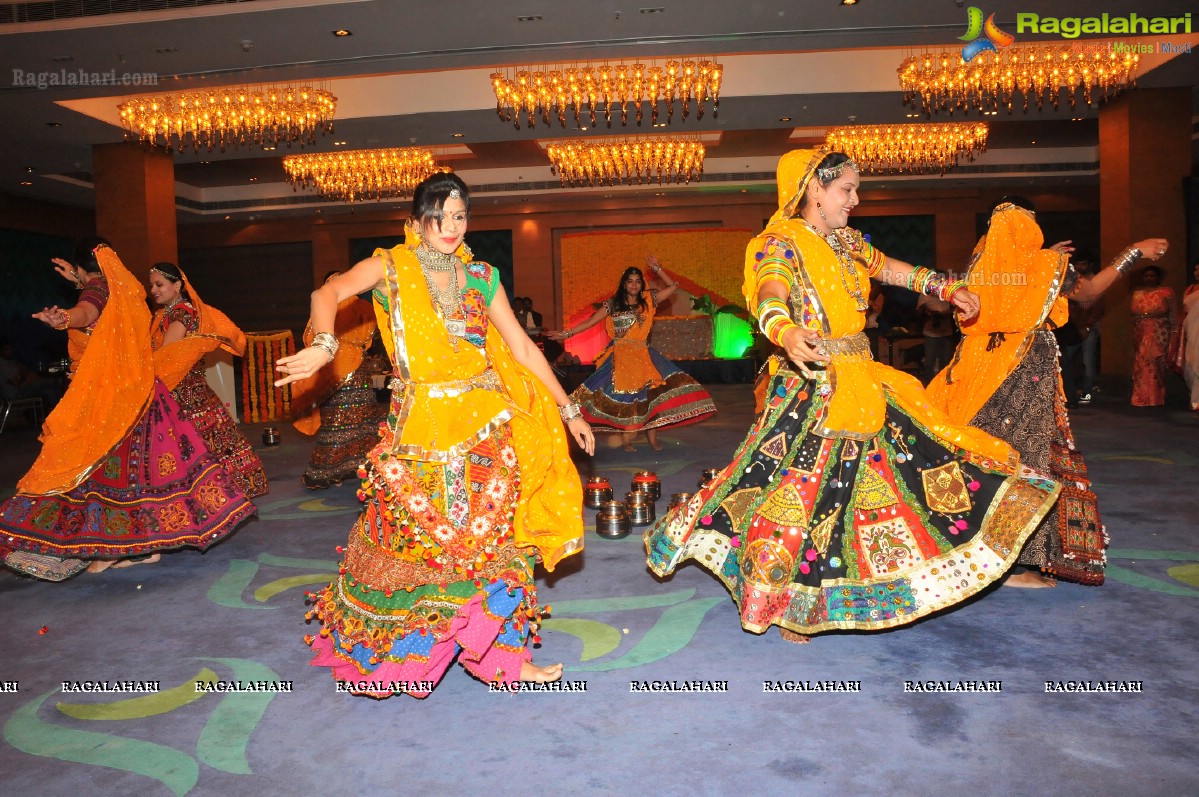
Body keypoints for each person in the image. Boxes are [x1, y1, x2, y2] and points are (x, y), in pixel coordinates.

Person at [644, 149, 1060, 642]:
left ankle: (858, 583)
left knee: (893, 473)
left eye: (855, 189)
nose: (855, 199)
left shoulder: (846, 240)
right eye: (847, 189)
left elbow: (890, 269)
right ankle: (783, 598)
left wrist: (947, 288)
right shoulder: (778, 242)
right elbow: (770, 290)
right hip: (812, 385)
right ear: (813, 190)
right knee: (799, 497)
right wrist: (785, 329)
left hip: (863, 377)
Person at [275, 172, 594, 697]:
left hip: (487, 429)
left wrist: (568, 409)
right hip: (417, 435)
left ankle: (503, 662)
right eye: (439, 216)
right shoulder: (392, 267)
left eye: (460, 215)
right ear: (419, 220)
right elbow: (328, 289)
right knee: (419, 551)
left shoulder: (482, 277)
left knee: (497, 545)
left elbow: (522, 349)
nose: (451, 226)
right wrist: (326, 344)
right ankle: (404, 656)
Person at [927, 198, 1167, 587]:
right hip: (1023, 371)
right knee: (1026, 461)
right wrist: (1132, 253)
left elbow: (1011, 285)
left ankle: (974, 553)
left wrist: (1042, 260)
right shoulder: (1044, 266)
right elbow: (1088, 291)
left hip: (976, 370)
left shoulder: (981, 264)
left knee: (983, 457)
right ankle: (1011, 566)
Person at [0, 239, 255, 580]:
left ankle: (120, 546)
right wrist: (78, 288)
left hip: (119, 400)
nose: (152, 289)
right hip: (140, 393)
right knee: (136, 476)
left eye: (160, 284)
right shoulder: (125, 291)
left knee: (108, 472)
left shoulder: (102, 289)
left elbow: (88, 311)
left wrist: (63, 317)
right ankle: (133, 547)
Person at [549, 255, 716, 452]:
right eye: (630, 281)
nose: (634, 285)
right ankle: (626, 440)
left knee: (648, 397)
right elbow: (590, 322)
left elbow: (672, 288)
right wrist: (567, 333)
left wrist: (658, 269)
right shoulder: (612, 304)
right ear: (624, 284)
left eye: (638, 281)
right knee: (626, 398)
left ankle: (652, 439)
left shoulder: (648, 299)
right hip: (621, 357)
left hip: (643, 355)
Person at [148, 261, 269, 498]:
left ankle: (220, 493)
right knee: (207, 441)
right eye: (151, 285)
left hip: (183, 392)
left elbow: (167, 352)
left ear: (177, 285)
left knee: (202, 442)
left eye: (159, 284)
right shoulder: (166, 314)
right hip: (179, 388)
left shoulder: (183, 312)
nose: (153, 290)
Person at [290, 273, 388, 489]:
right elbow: (372, 336)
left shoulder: (327, 305)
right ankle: (362, 464)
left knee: (335, 422)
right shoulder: (363, 307)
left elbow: (311, 336)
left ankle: (325, 472)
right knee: (362, 419)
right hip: (358, 369)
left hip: (332, 366)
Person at [1129, 264, 1178, 407]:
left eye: (1152, 276)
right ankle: (1140, 398)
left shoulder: (1166, 292)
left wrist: (1174, 333)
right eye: (1146, 276)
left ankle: (1156, 398)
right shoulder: (1137, 293)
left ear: (1157, 277)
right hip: (1141, 331)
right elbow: (1132, 315)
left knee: (1156, 362)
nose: (1149, 279)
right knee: (1141, 364)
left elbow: (1173, 315)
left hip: (1159, 331)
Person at [916, 287, 956, 384]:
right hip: (931, 332)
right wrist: (928, 312)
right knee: (930, 361)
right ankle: (929, 385)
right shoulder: (925, 293)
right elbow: (919, 311)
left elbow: (954, 308)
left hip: (946, 331)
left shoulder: (947, 293)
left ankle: (943, 385)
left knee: (946, 361)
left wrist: (945, 314)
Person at [1176, 261, 1199, 411]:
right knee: (1191, 364)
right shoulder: (1190, 290)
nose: (1198, 272)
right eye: (1196, 269)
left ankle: (1196, 402)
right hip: (1194, 331)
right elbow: (1185, 313)